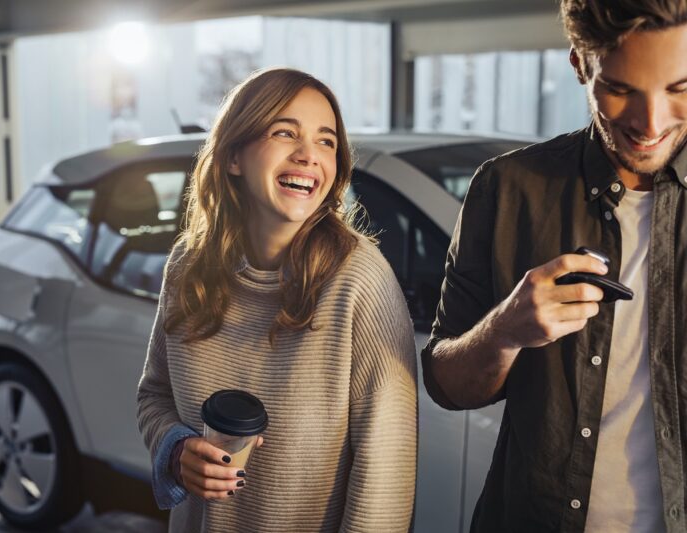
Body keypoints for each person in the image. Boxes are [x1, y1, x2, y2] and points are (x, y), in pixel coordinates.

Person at [421, 1, 687, 531]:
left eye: (680, 89)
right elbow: (446, 386)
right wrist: (504, 330)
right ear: (580, 66)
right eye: (621, 88)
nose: (651, 122)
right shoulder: (507, 189)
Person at [137, 67, 417, 533]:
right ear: (233, 157)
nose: (309, 155)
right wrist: (176, 448)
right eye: (285, 132)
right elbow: (154, 395)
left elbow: (385, 479)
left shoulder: (360, 280)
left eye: (326, 141)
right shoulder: (188, 266)